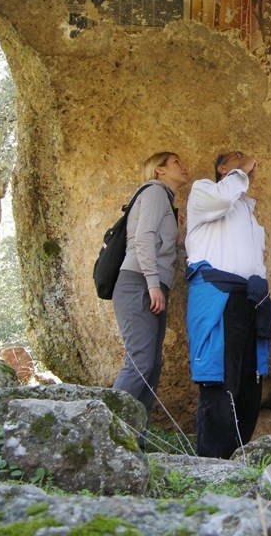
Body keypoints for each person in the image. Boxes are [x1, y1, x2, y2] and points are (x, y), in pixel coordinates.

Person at [185, 150, 271, 458]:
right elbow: (223, 199)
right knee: (219, 380)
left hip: (249, 300)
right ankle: (212, 465)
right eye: (236, 157)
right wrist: (242, 170)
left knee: (249, 385)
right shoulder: (204, 190)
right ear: (223, 168)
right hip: (218, 298)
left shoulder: (248, 212)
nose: (248, 159)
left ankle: (236, 461)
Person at [112, 151, 189, 432]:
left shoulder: (164, 201)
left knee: (151, 367)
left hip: (146, 283)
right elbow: (143, 239)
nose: (184, 167)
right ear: (159, 170)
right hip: (139, 282)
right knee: (140, 363)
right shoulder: (155, 193)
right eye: (176, 163)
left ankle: (134, 439)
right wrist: (153, 284)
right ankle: (103, 430)